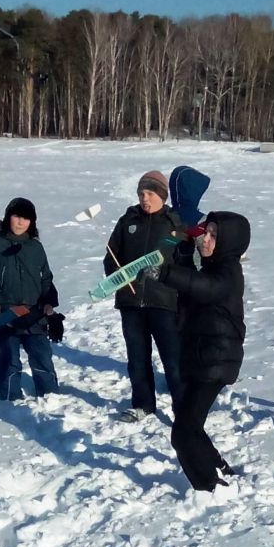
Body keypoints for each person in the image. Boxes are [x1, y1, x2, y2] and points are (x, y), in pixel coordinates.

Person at [155, 211, 252, 494]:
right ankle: (219, 467)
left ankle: (208, 487)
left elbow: (206, 288)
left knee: (182, 431)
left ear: (229, 243)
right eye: (205, 233)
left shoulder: (229, 272)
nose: (205, 240)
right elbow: (194, 291)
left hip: (216, 359)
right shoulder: (212, 267)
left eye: (213, 236)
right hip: (201, 357)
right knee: (190, 423)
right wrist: (183, 257)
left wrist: (167, 273)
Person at [104, 171, 184, 422]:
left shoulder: (174, 225)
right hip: (131, 302)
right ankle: (143, 404)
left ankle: (183, 408)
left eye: (149, 193)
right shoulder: (127, 221)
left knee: (173, 360)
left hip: (164, 302)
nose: (144, 199)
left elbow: (184, 264)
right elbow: (110, 256)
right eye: (141, 194)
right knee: (137, 358)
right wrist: (118, 275)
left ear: (162, 195)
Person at [0, 197, 59, 400]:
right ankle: (9, 398)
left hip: (34, 312)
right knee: (9, 358)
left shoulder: (35, 247)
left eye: (26, 218)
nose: (21, 222)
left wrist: (49, 302)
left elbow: (46, 278)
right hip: (6, 312)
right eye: (17, 216)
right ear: (8, 217)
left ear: (32, 222)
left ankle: (50, 396)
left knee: (42, 356)